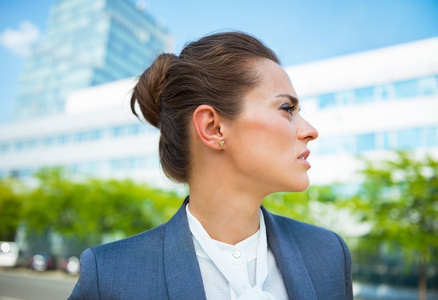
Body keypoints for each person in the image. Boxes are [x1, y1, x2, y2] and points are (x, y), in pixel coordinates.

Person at [69, 32, 353, 300]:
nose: (311, 130)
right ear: (213, 127)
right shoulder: (110, 275)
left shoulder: (329, 255)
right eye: (287, 109)